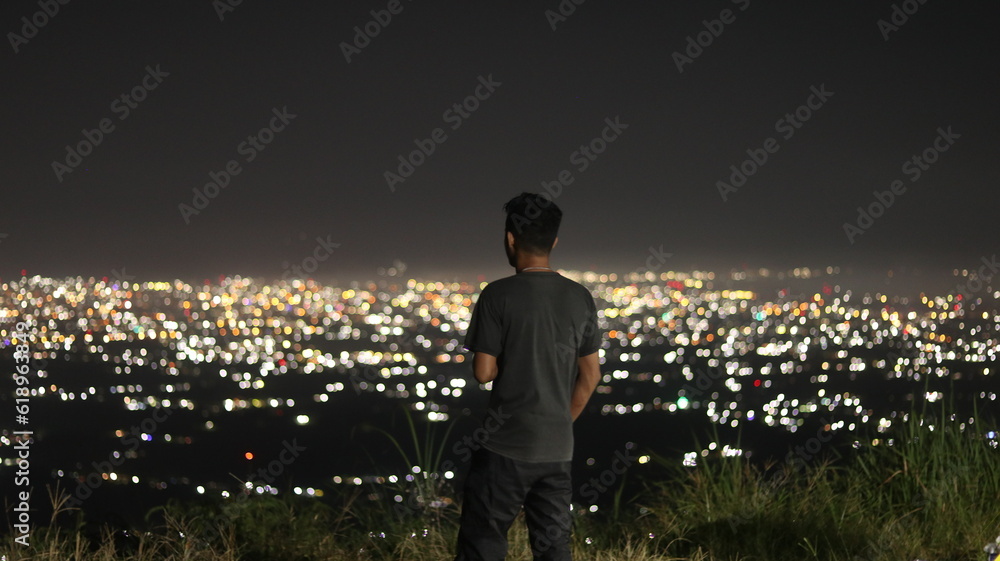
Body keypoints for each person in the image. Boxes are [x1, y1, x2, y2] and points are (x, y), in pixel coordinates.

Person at [453, 192, 603, 561]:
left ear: (509, 238)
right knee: (553, 548)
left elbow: (483, 373)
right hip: (557, 449)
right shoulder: (579, 297)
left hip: (504, 445)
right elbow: (591, 376)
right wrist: (561, 421)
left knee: (483, 543)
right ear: (553, 241)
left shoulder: (497, 295)